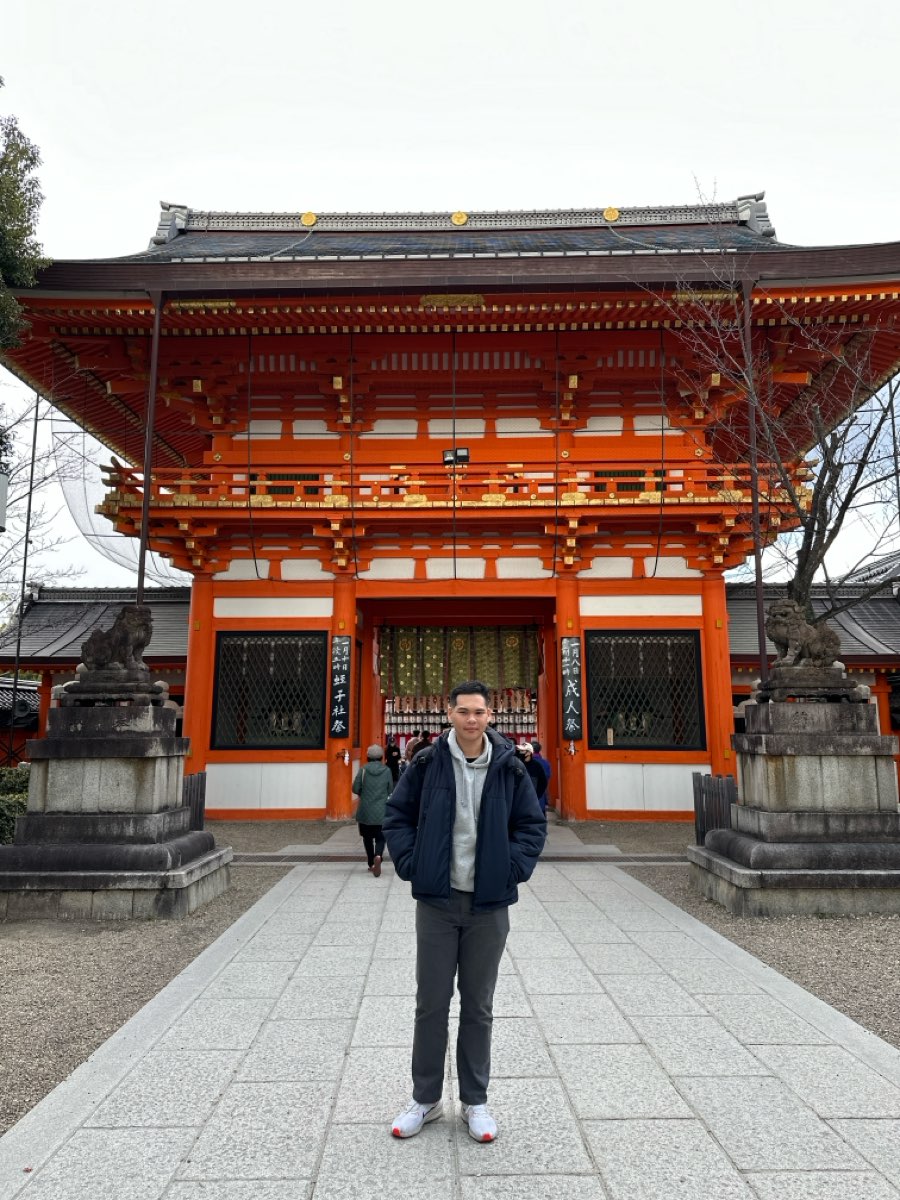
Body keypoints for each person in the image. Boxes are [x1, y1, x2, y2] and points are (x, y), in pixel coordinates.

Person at [383, 680, 546, 1143]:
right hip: (437, 902)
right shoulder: (427, 763)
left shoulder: (510, 767)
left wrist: (510, 870)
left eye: (479, 711)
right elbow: (396, 815)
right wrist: (414, 865)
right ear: (449, 714)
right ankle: (426, 1099)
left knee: (479, 1005)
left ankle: (475, 1100)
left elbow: (531, 825)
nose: (471, 719)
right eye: (463, 711)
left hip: (487, 904)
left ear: (490, 716)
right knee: (430, 1003)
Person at [351, 744, 393, 877]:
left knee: (367, 838)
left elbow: (355, 788)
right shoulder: (386, 771)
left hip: (365, 811)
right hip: (381, 810)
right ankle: (379, 856)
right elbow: (390, 789)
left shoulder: (363, 770)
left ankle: (371, 863)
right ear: (381, 757)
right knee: (381, 838)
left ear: (367, 757)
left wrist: (364, 792)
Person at [517, 742, 548, 814]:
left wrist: (535, 796)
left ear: (528, 753)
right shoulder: (517, 764)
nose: (520, 753)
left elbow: (543, 782)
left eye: (522, 751)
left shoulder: (537, 766)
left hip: (533, 801)